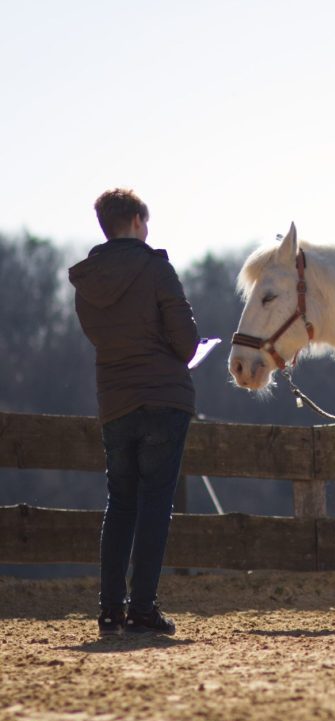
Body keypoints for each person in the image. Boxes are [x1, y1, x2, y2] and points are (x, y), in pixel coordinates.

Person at [69, 188, 200, 635]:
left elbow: (103, 337)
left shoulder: (88, 282)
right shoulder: (156, 268)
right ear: (139, 222)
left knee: (120, 503)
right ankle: (143, 608)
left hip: (115, 402)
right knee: (154, 504)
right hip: (163, 399)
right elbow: (185, 344)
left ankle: (110, 609)